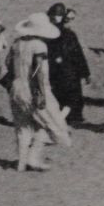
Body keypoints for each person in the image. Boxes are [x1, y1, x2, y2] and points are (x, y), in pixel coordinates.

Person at [4, 12, 71, 171]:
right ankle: (33, 157)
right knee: (52, 123)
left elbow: (8, 64)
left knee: (23, 125)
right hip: (34, 88)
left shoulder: (16, 43)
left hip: (16, 86)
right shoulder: (39, 46)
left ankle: (21, 162)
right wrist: (40, 92)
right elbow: (40, 71)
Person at [45, 3, 92, 124]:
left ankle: (58, 116)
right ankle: (69, 117)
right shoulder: (69, 34)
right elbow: (78, 55)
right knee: (73, 96)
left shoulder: (44, 33)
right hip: (69, 71)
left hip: (51, 71)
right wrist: (85, 73)